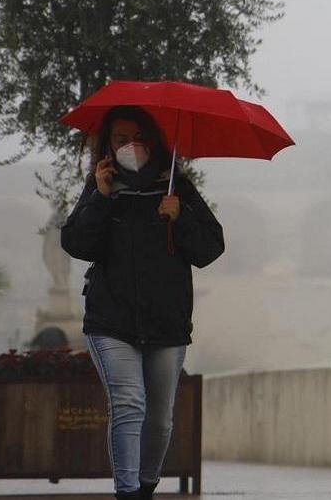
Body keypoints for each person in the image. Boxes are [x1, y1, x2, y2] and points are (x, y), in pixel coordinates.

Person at [61, 105, 224, 500]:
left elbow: (210, 247)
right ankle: (128, 492)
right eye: (120, 139)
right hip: (111, 319)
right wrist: (99, 198)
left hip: (166, 322)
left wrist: (180, 215)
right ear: (108, 145)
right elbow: (78, 244)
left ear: (152, 140)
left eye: (138, 137)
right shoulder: (101, 186)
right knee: (129, 404)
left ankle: (146, 485)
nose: (130, 146)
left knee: (160, 421)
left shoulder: (175, 186)